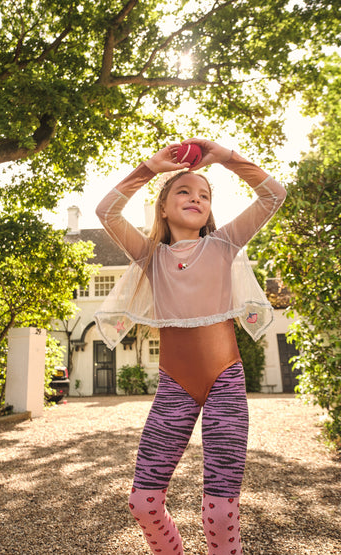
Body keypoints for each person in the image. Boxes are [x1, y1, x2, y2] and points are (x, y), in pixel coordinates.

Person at [94, 139, 287, 555]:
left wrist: (227, 158)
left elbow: (274, 194)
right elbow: (106, 211)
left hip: (226, 385)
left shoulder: (224, 244)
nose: (195, 198)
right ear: (162, 207)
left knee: (219, 512)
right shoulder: (150, 257)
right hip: (173, 389)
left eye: (204, 194)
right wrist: (150, 167)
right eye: (183, 190)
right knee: (142, 503)